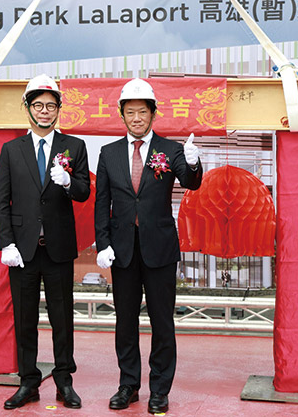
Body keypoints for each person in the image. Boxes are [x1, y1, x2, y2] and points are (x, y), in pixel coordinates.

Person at [94, 78, 203, 414]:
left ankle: (159, 389)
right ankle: (128, 385)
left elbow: (191, 182)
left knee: (162, 322)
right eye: (130, 112)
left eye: (142, 111)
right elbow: (102, 202)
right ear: (122, 115)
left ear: (153, 114)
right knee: (125, 322)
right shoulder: (109, 153)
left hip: (160, 249)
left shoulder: (170, 150)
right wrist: (103, 244)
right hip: (122, 251)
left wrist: (193, 162)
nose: (137, 118)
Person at [0, 74, 90, 410]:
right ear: (28, 108)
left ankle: (64, 381)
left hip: (58, 248)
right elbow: (0, 201)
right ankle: (28, 382)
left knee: (62, 319)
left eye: (51, 105)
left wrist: (68, 182)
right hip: (22, 251)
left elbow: (83, 192)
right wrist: (6, 243)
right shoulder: (11, 150)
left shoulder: (74, 146)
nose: (45, 111)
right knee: (25, 319)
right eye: (38, 105)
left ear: (59, 109)